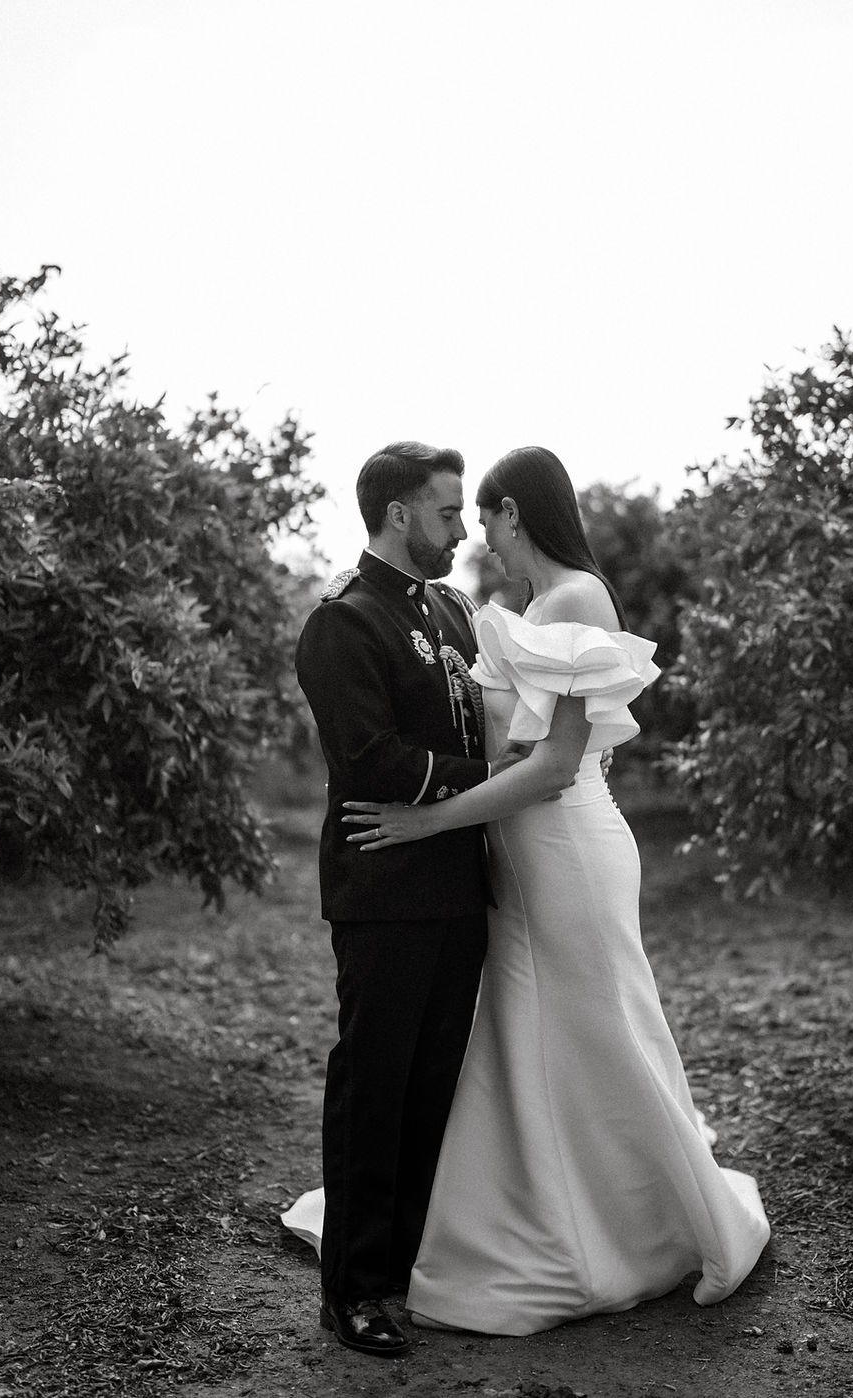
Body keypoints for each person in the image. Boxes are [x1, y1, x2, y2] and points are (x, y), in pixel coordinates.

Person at [337, 445, 771, 1337]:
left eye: (482, 518)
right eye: (457, 517)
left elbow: (554, 767)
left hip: (566, 847)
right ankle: (538, 1211)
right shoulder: (524, 609)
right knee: (535, 1036)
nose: (478, 538)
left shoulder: (575, 601)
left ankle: (646, 1221)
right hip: (521, 857)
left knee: (601, 1029)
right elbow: (499, 749)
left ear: (515, 513)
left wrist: (427, 821)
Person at [289, 442, 523, 1358]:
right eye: (447, 511)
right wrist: (495, 778)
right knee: (374, 1089)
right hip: (383, 890)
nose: (462, 528)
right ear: (398, 514)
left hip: (459, 885)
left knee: (430, 1091)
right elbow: (371, 761)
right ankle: (351, 1291)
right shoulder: (342, 624)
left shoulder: (454, 611)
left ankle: (401, 1272)